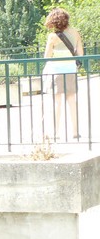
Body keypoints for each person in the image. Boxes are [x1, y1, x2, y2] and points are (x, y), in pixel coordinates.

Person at [42, 7, 84, 141]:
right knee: (72, 101)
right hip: (70, 69)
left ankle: (55, 133)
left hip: (56, 71)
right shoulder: (76, 33)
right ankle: (75, 132)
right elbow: (81, 54)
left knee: (57, 103)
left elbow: (47, 56)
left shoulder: (53, 36)